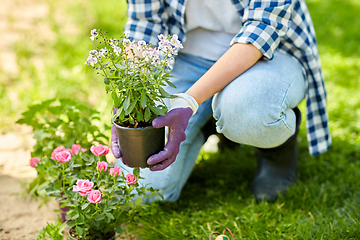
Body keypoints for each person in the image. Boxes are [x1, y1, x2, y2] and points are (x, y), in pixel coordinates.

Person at [111, 0, 331, 202]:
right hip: (186, 56)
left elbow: (261, 29)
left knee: (252, 110)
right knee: (143, 191)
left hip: (268, 55)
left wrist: (188, 101)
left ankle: (277, 151)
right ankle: (209, 121)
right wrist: (129, 97)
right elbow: (145, 22)